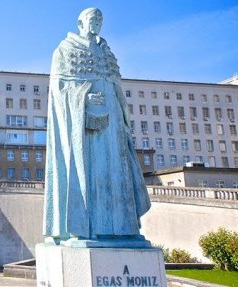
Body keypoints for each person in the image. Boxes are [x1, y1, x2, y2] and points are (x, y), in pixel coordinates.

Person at [43, 7, 151, 247]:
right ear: (80, 23)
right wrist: (83, 100)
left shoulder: (107, 53)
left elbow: (117, 89)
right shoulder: (65, 50)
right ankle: (84, 229)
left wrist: (122, 116)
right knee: (88, 175)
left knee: (116, 173)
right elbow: (58, 91)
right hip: (84, 130)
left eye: (100, 20)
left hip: (113, 128)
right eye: (93, 19)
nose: (97, 23)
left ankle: (123, 230)